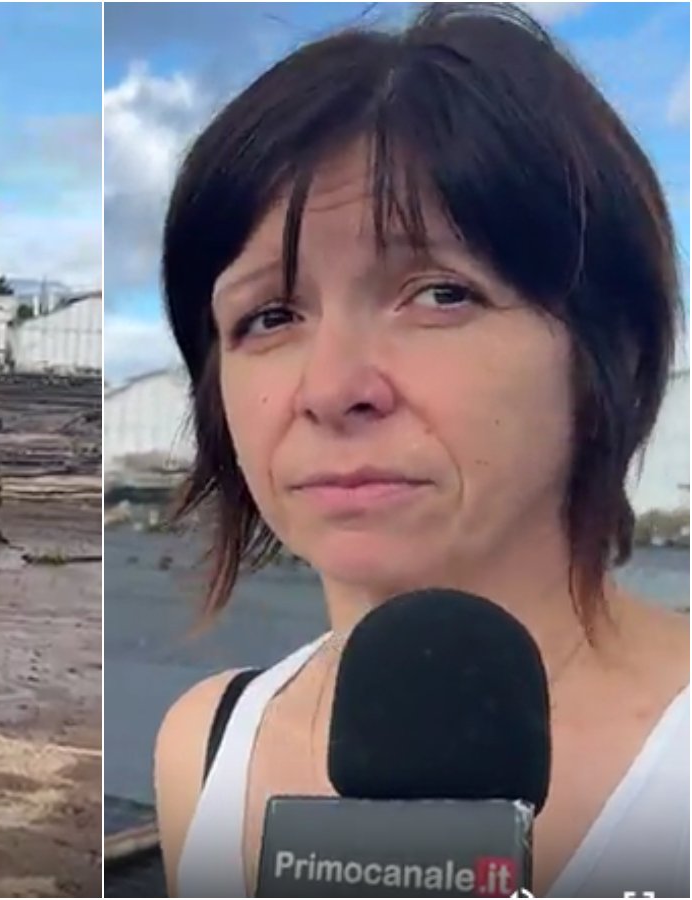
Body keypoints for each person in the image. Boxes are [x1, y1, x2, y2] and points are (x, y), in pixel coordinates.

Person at [151, 4, 689, 898]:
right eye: (271, 317)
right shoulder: (202, 749)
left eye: (439, 294)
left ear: (613, 347)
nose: (332, 389)